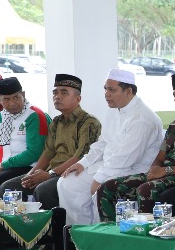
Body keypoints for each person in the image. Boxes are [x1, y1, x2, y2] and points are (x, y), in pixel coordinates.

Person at [97, 72, 175, 219]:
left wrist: (167, 170)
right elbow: (160, 157)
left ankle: (148, 236)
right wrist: (155, 169)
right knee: (108, 188)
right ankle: (112, 234)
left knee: (147, 190)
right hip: (165, 175)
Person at [57, 69, 163, 226]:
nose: (106, 94)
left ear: (128, 91)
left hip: (133, 170)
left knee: (99, 190)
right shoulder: (114, 109)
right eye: (105, 89)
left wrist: (98, 179)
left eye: (112, 90)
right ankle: (79, 235)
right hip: (110, 165)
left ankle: (98, 239)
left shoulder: (142, 118)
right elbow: (103, 143)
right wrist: (83, 163)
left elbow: (126, 158)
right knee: (67, 183)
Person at [3, 74, 101, 208]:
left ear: (78, 98)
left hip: (72, 173)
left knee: (44, 191)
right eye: (55, 92)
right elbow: (48, 152)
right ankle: (22, 227)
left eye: (64, 93)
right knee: (8, 187)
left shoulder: (88, 122)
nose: (57, 96)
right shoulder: (56, 122)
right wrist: (30, 175)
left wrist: (50, 174)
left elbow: (81, 156)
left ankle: (54, 228)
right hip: (52, 172)